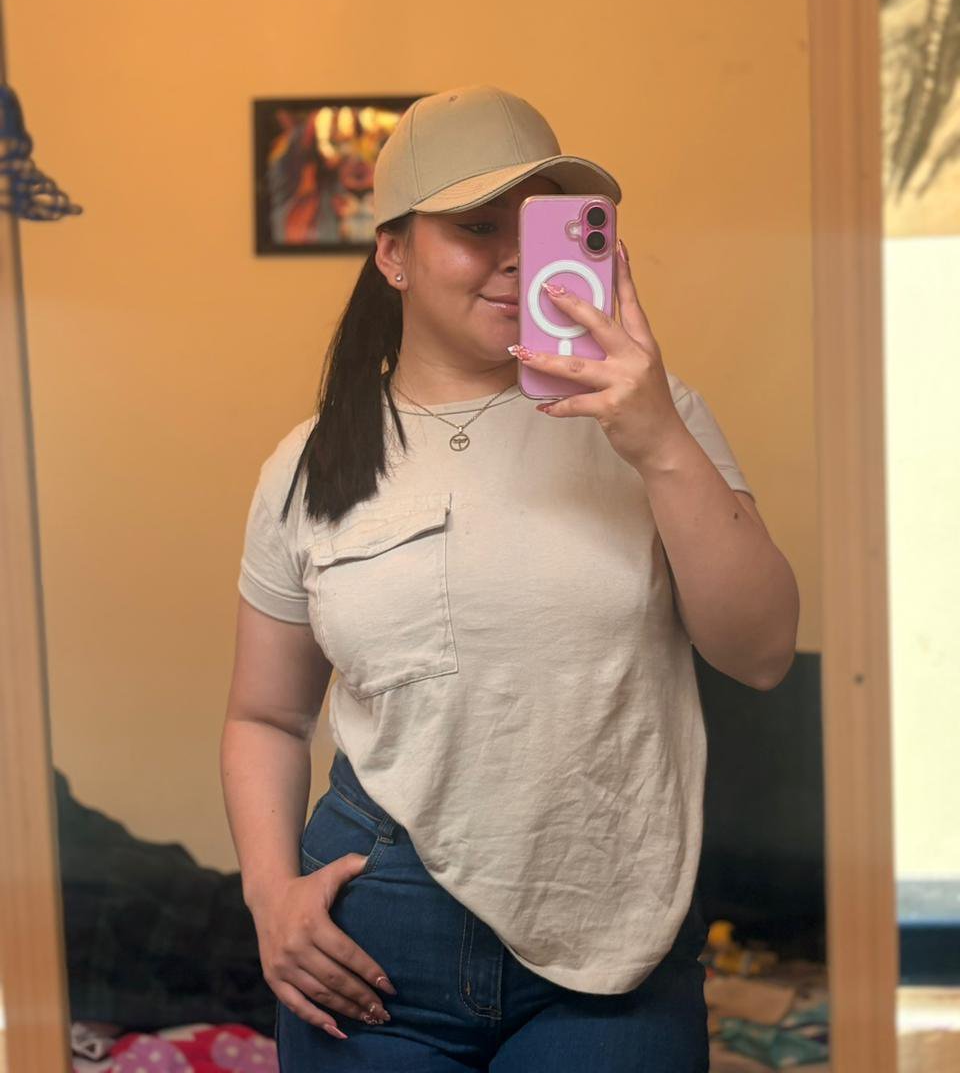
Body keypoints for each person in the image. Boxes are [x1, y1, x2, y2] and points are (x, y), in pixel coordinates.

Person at [221, 83, 800, 1071]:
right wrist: (269, 893)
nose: (516, 256)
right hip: (373, 929)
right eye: (475, 226)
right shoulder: (308, 465)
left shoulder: (656, 415)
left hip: (614, 934)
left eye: (538, 226)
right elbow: (266, 717)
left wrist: (658, 439)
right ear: (393, 253)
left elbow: (761, 651)